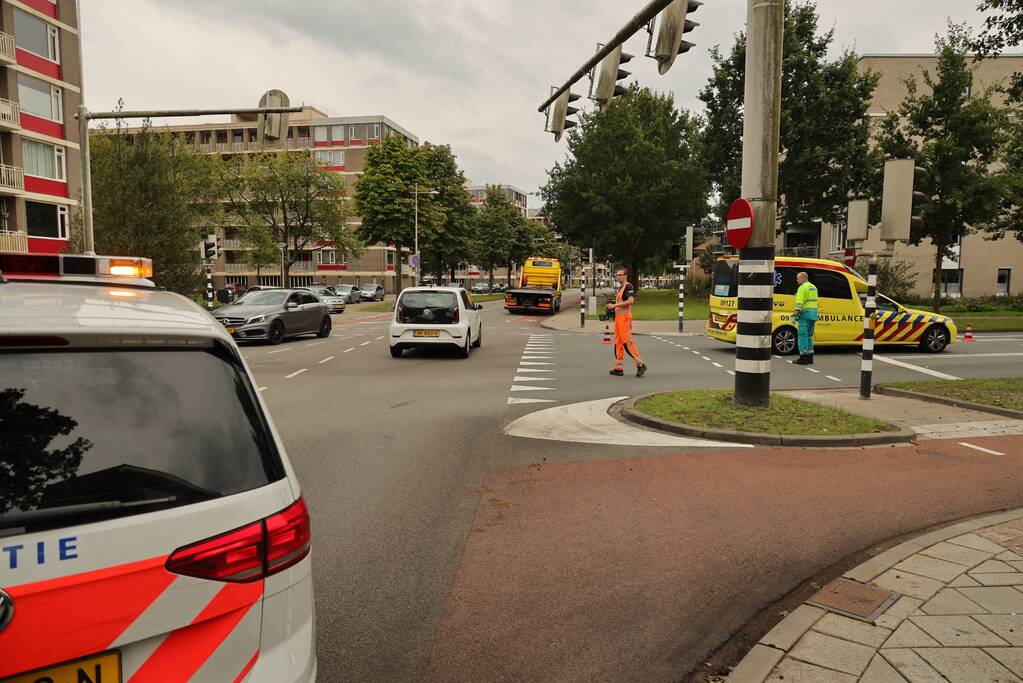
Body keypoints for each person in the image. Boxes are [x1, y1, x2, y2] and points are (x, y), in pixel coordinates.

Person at [606, 268, 648, 377]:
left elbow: (631, 301)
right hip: (618, 319)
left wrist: (614, 305)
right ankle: (618, 368)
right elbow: (621, 302)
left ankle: (641, 364)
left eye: (620, 275)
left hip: (624, 319)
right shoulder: (621, 288)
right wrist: (613, 307)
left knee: (627, 343)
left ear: (625, 276)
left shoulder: (628, 286)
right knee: (618, 343)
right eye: (617, 275)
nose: (618, 277)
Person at [793, 271, 819, 365]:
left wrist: (795, 314)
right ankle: (810, 357)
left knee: (802, 336)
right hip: (813, 315)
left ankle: (803, 357)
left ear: (803, 278)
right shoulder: (813, 287)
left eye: (798, 278)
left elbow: (799, 302)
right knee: (809, 336)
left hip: (804, 315)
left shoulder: (802, 288)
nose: (797, 280)